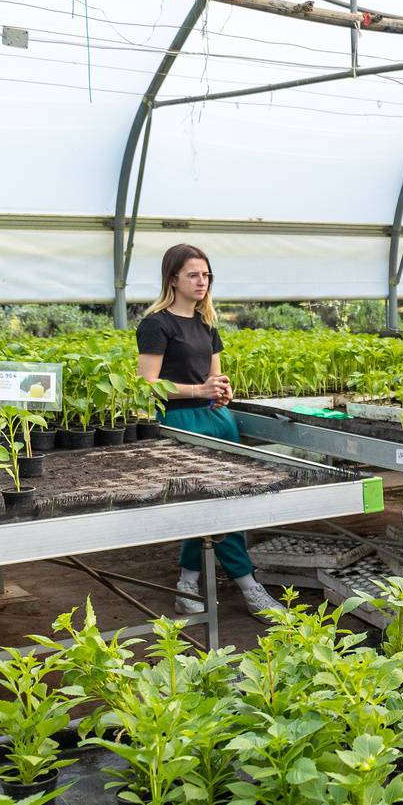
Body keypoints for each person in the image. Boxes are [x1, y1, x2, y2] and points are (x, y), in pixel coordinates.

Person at [137, 245, 284, 618]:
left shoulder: (206, 323)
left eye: (205, 275)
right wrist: (197, 391)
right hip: (182, 423)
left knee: (222, 503)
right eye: (192, 275)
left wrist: (220, 389)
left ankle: (187, 582)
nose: (201, 281)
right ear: (173, 279)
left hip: (217, 419)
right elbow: (146, 384)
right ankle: (249, 585)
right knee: (215, 505)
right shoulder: (157, 324)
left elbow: (212, 376)